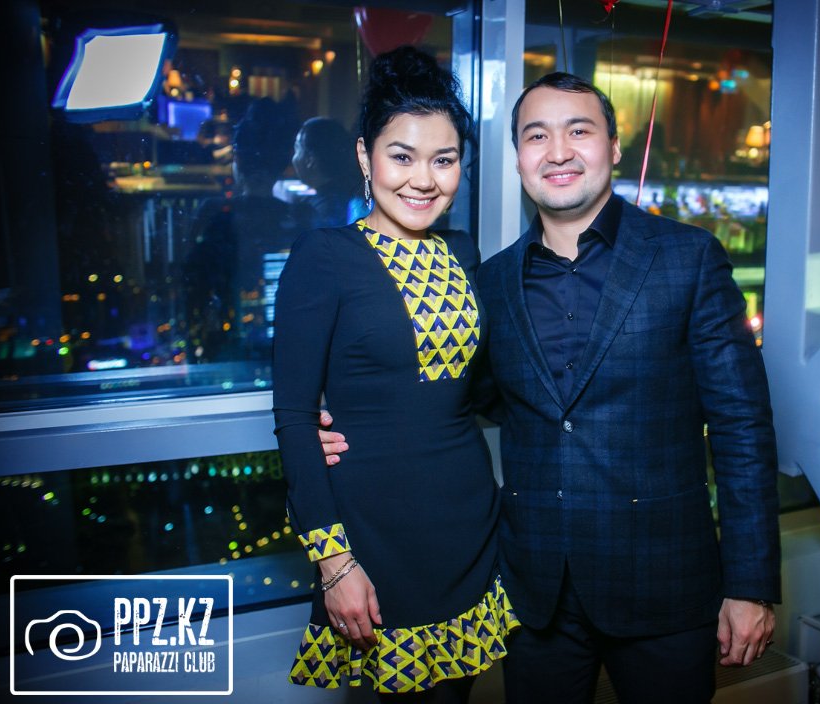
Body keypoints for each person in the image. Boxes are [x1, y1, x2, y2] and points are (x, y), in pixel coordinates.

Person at [321, 72, 780, 703]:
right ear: (518, 158)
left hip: (665, 587)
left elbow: (741, 427)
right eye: (537, 136)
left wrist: (750, 583)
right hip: (534, 595)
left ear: (613, 147)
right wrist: (339, 417)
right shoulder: (490, 281)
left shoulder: (688, 258)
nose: (558, 151)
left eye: (578, 131)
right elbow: (459, 396)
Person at [272, 46, 518, 702]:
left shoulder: (463, 253)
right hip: (373, 539)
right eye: (402, 156)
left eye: (444, 159)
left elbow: (484, 390)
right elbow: (294, 416)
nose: (423, 180)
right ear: (365, 156)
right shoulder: (323, 256)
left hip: (470, 526)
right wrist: (334, 563)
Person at [185, 97, 312, 362]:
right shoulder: (303, 219)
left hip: (229, 353)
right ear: (283, 161)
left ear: (238, 159)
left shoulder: (214, 215)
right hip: (294, 350)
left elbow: (193, 283)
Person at [291, 117, 367, 227]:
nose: (293, 158)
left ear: (310, 160)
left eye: (297, 149)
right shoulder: (350, 194)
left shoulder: (321, 211)